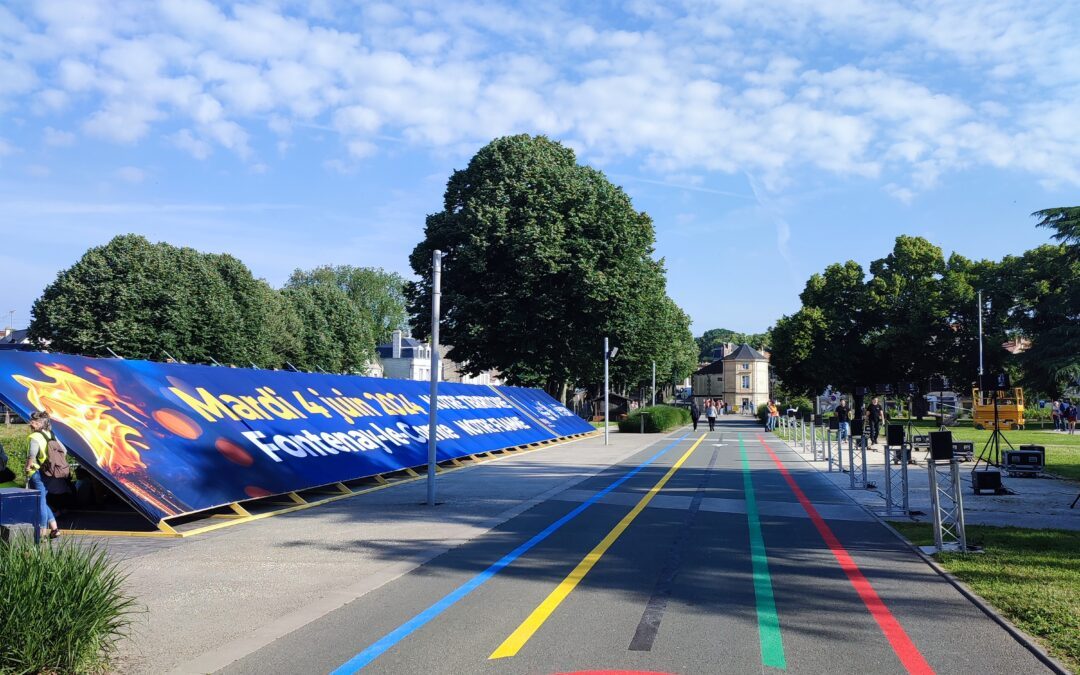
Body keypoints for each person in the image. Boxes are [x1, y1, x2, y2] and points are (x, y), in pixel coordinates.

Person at [24, 411, 61, 539]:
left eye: (32, 421)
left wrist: (27, 467)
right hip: (49, 472)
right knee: (42, 501)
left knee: (39, 502)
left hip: (37, 472)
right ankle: (54, 528)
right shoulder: (50, 434)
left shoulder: (35, 436)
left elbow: (32, 456)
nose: (30, 423)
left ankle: (42, 532)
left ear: (39, 423)